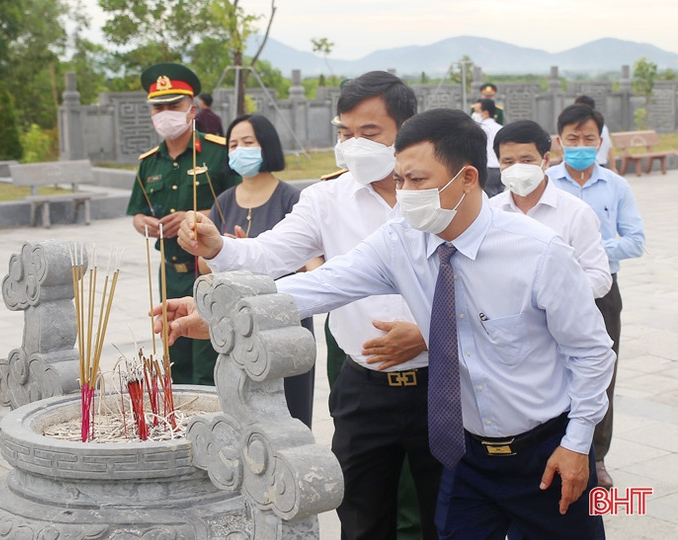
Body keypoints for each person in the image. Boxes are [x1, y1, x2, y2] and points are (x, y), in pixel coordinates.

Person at [166, 107, 616, 539]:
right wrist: (224, 315)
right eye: (400, 180)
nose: (405, 194)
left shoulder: (538, 252)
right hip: (464, 455)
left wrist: (579, 443)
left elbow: (592, 352)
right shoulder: (400, 242)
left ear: (468, 179)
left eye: (418, 181)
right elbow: (316, 286)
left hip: (546, 451)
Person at [178, 71, 438, 540]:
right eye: (345, 133)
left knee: (445, 513)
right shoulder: (326, 199)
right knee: (361, 513)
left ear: (406, 128)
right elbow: (268, 256)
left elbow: (477, 286)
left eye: (370, 133)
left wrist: (431, 332)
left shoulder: (436, 194)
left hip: (439, 382)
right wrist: (218, 248)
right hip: (363, 388)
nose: (354, 144)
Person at [548, 103, 646, 489]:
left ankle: (597, 456)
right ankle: (555, 448)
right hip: (552, 290)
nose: (581, 145)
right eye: (573, 138)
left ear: (600, 141)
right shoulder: (547, 182)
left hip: (603, 293)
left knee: (601, 373)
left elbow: (635, 240)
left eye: (589, 138)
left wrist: (588, 251)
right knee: (552, 369)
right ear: (559, 142)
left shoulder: (616, 185)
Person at [126, 62, 239, 386]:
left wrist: (196, 215)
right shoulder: (149, 163)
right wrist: (142, 223)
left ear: (191, 109)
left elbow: (238, 205)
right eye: (158, 107)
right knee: (175, 357)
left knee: (211, 360)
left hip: (207, 269)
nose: (165, 113)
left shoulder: (218, 153)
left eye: (173, 106)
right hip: (169, 274)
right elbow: (137, 211)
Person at [205, 113, 317, 428]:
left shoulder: (292, 198)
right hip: (237, 320)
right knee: (243, 411)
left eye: (248, 142)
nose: (239, 149)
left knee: (290, 413)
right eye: (233, 144)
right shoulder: (224, 200)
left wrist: (254, 253)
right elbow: (206, 263)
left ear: (266, 145)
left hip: (285, 321)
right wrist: (225, 250)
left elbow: (314, 264)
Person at [489, 120, 612, 298]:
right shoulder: (490, 211)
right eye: (508, 161)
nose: (517, 168)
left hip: (559, 318)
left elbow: (599, 277)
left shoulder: (576, 213)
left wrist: (554, 296)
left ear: (545, 160)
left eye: (526, 160)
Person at [574, 95, 617, 173]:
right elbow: (610, 148)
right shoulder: (602, 126)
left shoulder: (600, 127)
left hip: (594, 166)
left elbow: (609, 148)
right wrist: (613, 167)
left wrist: (613, 168)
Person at [473, 98, 503, 197]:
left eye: (477, 111)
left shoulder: (480, 129)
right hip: (500, 167)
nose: (474, 113)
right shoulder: (500, 128)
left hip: (488, 168)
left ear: (485, 113)